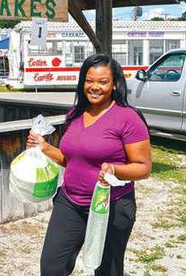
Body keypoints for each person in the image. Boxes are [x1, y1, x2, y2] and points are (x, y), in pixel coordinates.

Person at [27, 54, 151, 276]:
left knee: (107, 270)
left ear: (115, 85)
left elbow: (143, 167)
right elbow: (71, 160)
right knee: (52, 266)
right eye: (89, 80)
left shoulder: (128, 118)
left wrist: (115, 170)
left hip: (110, 205)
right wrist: (44, 147)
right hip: (70, 202)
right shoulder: (75, 114)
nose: (95, 87)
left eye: (103, 82)